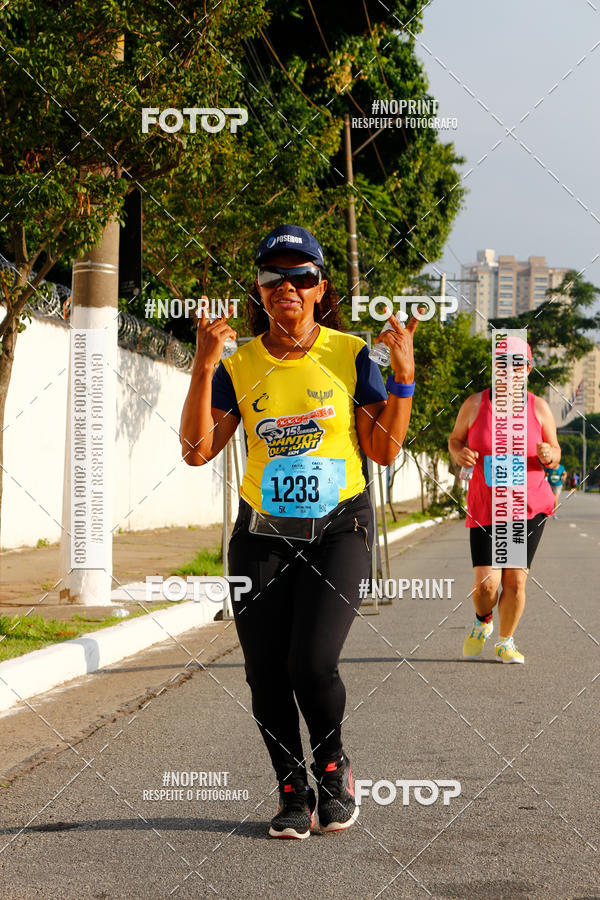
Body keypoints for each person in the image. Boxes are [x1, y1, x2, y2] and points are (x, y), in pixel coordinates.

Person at [180, 224, 419, 839]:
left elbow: (382, 450)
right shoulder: (240, 364)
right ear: (259, 289)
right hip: (261, 533)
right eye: (272, 276)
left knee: (312, 663)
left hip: (339, 528)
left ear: (320, 288)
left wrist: (403, 378)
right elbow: (197, 450)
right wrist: (204, 365)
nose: (286, 286)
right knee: (265, 672)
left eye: (300, 276)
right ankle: (293, 790)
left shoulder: (349, 354)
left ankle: (333, 769)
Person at [448, 338, 560, 664]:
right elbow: (455, 440)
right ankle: (483, 620)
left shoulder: (538, 407)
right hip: (487, 504)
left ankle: (505, 641)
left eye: (517, 363)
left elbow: (555, 452)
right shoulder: (474, 404)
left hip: (527, 505)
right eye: (502, 363)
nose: (509, 370)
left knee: (515, 578)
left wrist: (549, 454)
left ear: (528, 369)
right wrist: (459, 453)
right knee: (487, 584)